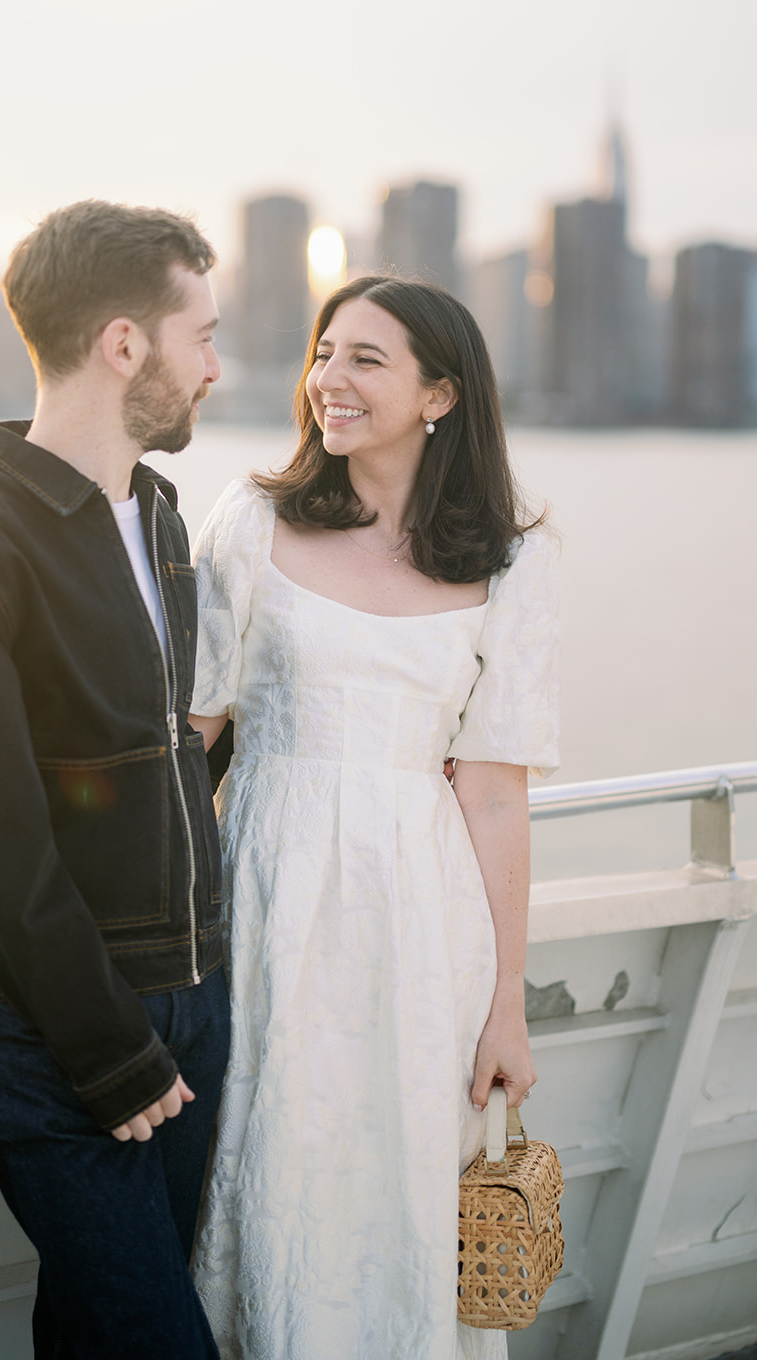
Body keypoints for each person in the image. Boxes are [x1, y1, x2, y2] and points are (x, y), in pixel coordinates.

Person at [0, 200, 230, 1359]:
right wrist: (108, 1050)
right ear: (125, 344)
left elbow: (150, 758)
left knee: (101, 1327)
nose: (216, 368)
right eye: (201, 336)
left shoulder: (157, 522)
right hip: (45, 1029)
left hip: (179, 1001)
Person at [187, 276, 560, 1360]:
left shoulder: (513, 562)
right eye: (322, 352)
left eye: (364, 360)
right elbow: (191, 733)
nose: (327, 382)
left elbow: (491, 790)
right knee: (271, 1161)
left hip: (418, 921)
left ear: (439, 393)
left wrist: (505, 1006)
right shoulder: (251, 522)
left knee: (397, 1178)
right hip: (263, 894)